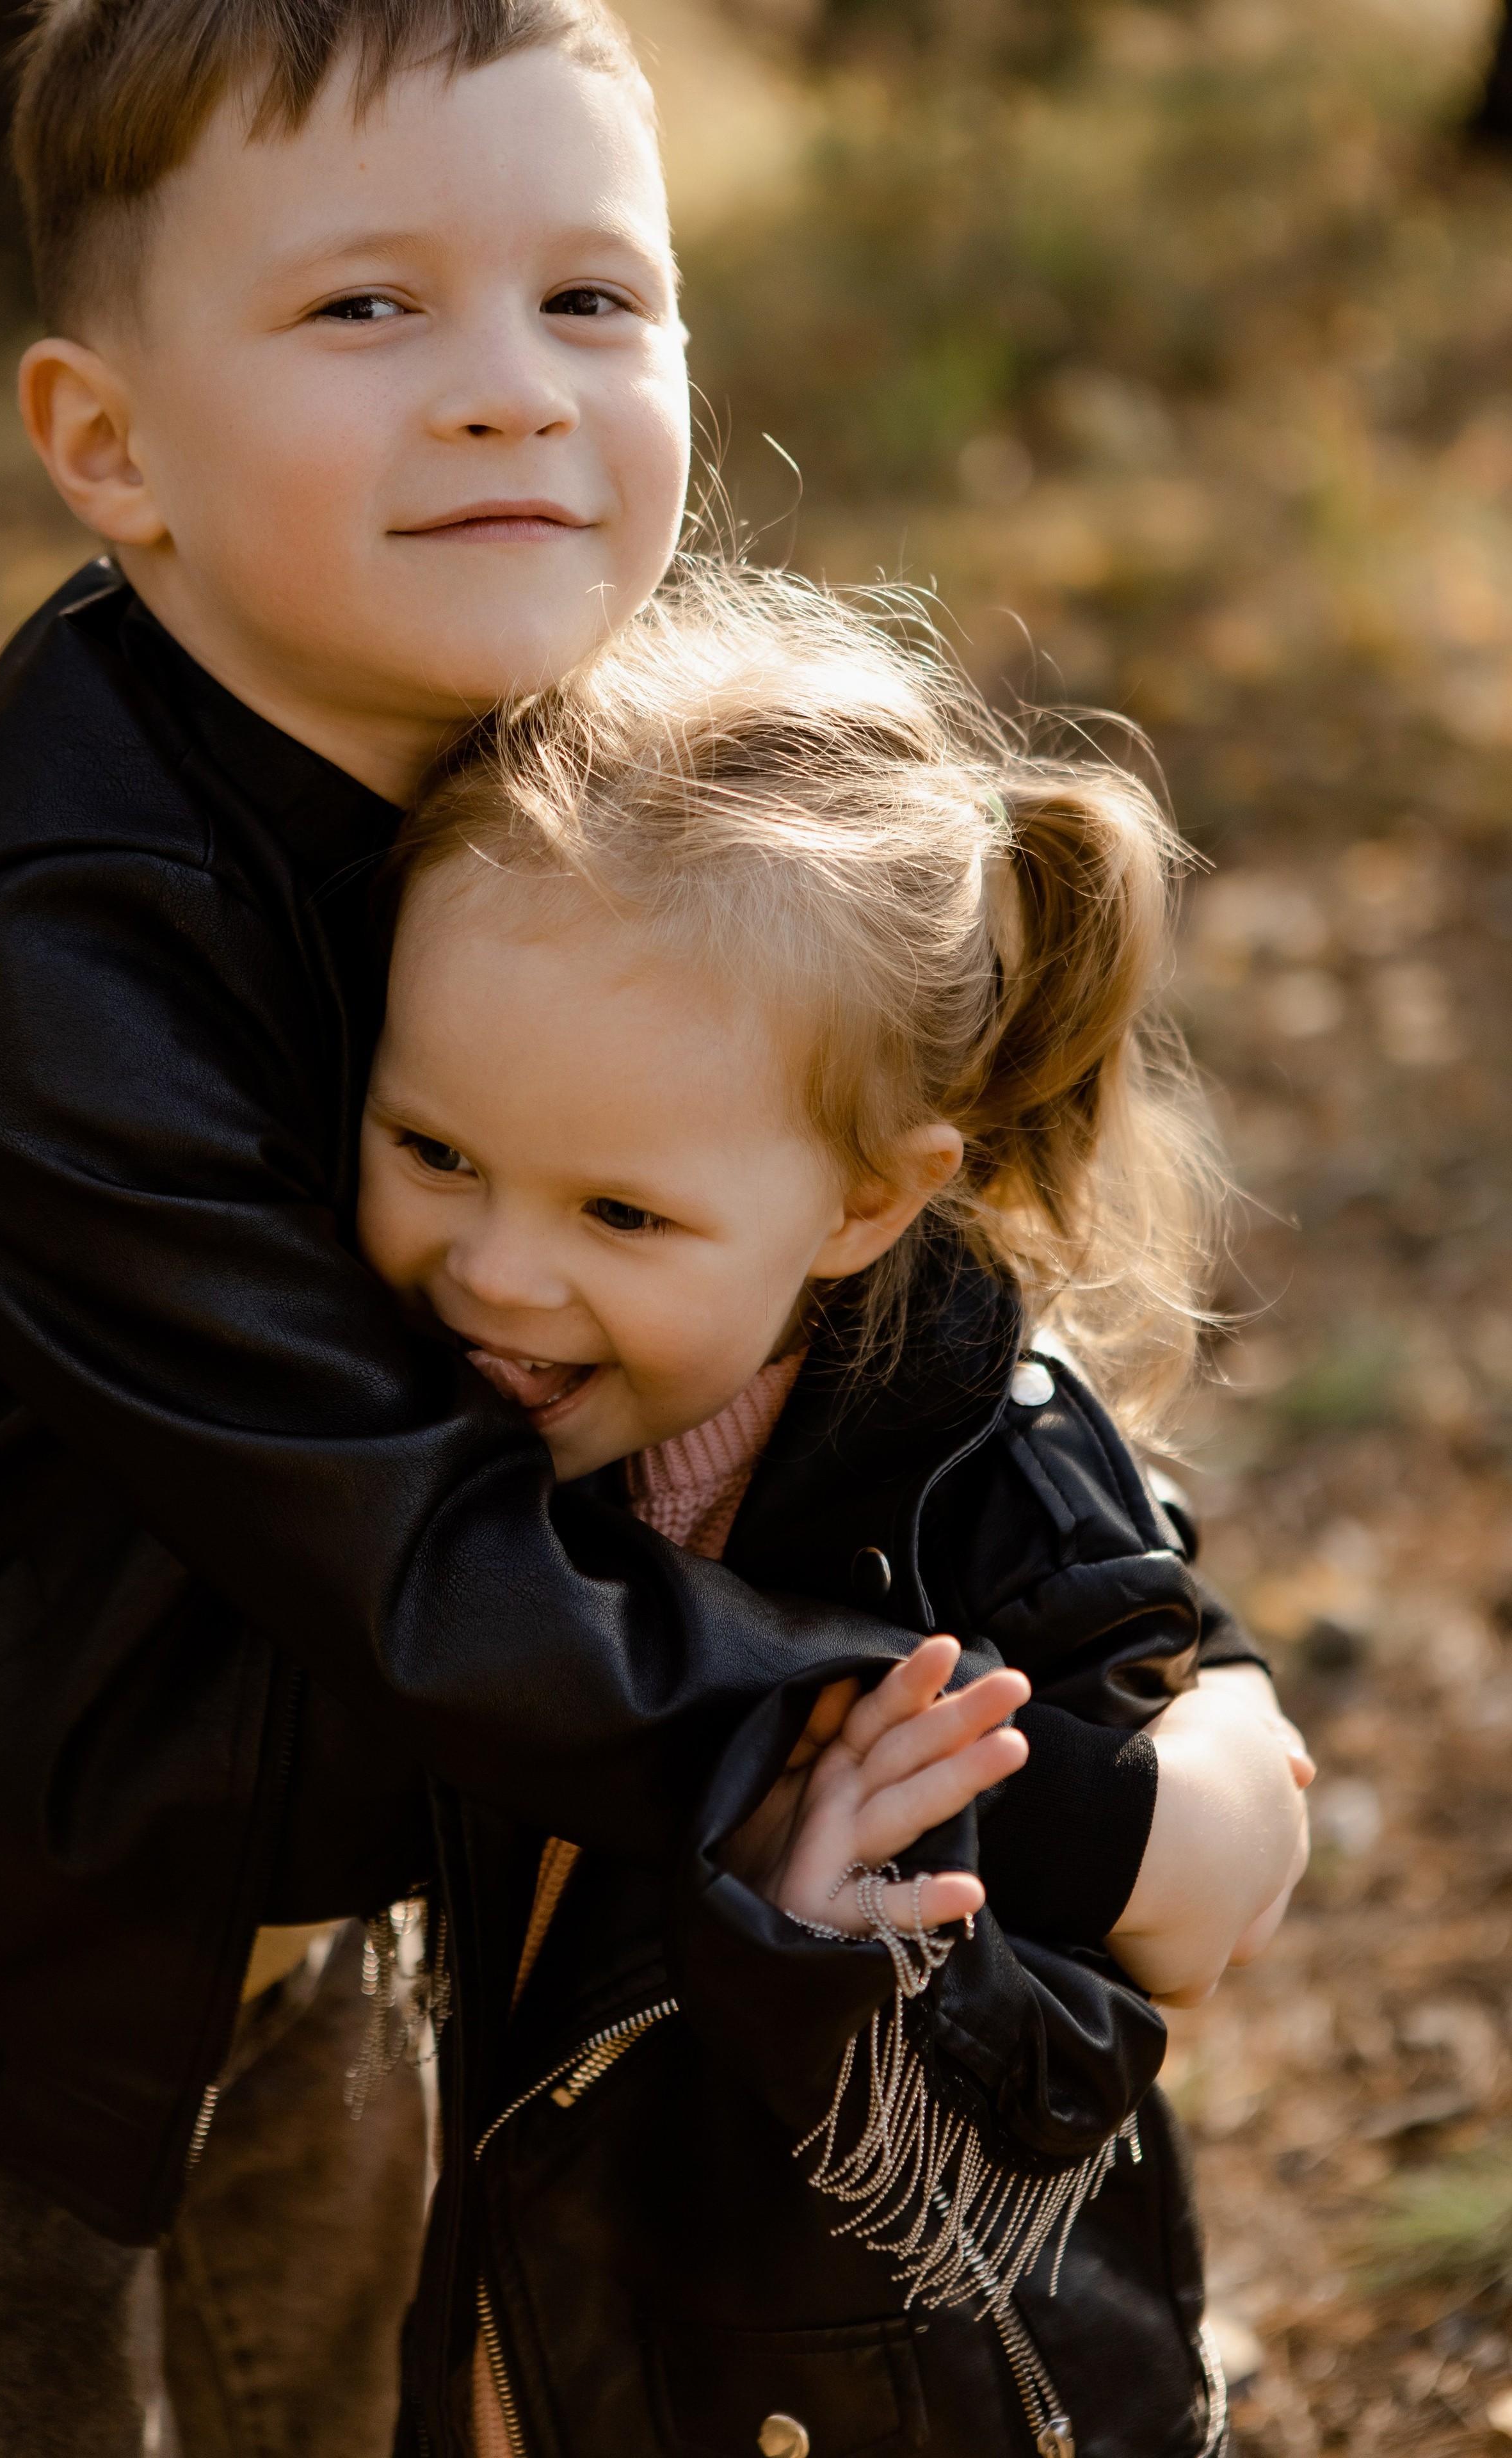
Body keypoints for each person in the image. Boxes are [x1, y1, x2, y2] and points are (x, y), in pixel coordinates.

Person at [0, 0, 1303, 2447]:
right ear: (109, 447)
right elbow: (421, 1560)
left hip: (319, 1900)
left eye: (592, 299)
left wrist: (1165, 1647)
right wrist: (1054, 1812)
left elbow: (845, 1255)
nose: (513, 391)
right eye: (366, 304)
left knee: (322, 2390)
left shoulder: (518, 742)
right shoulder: (50, 950)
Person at [356, 560, 1314, 2457]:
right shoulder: (412, 1406)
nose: (495, 1270)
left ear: (870, 1202)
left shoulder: (989, 1498)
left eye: (620, 1213)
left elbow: (1124, 2012)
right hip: (532, 2341)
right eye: (431, 1149)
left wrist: (847, 1951)